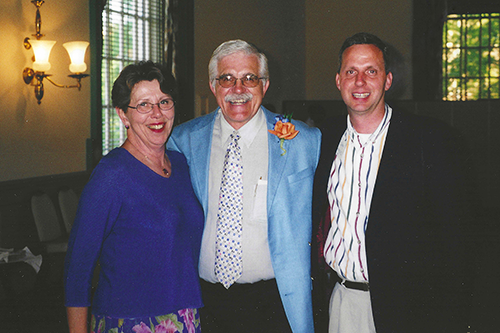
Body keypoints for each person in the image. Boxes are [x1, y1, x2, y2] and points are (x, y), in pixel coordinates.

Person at [312, 32, 474, 333]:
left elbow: (456, 245)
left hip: (407, 310)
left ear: (387, 80)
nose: (360, 82)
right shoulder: (322, 139)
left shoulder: (429, 140)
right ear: (338, 81)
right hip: (339, 301)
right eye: (351, 72)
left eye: (371, 71)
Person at [167, 39, 321, 333]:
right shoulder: (183, 141)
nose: (238, 89)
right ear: (213, 86)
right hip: (204, 302)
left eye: (249, 78)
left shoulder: (305, 141)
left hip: (274, 302)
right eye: (227, 79)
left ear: (264, 84)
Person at [64, 61, 204, 333]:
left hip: (185, 315)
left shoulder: (182, 165)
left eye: (164, 102)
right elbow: (77, 269)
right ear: (123, 115)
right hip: (130, 321)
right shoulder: (112, 174)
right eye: (143, 105)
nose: (157, 114)